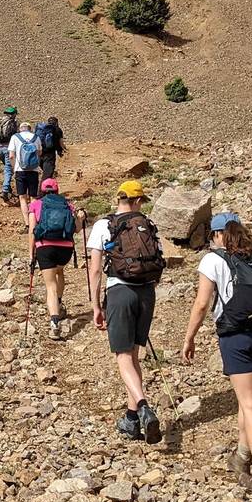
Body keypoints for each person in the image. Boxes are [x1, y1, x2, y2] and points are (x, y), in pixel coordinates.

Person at [181, 212, 252, 500]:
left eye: (213, 235)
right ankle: (241, 456)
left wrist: (189, 336)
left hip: (238, 336)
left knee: (251, 404)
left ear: (219, 235)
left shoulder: (213, 259)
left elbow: (201, 303)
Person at [87, 180, 166, 443]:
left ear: (119, 199)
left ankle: (143, 406)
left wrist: (96, 304)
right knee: (133, 355)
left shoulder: (104, 225)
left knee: (122, 356)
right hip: (146, 293)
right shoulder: (148, 225)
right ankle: (132, 419)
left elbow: (95, 270)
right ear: (138, 201)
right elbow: (158, 264)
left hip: (120, 291)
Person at [28, 178, 76, 340]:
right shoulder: (67, 205)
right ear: (57, 190)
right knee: (59, 271)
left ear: (42, 190)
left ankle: (55, 322)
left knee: (50, 286)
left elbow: (32, 230)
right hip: (66, 248)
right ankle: (60, 303)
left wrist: (31, 254)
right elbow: (74, 228)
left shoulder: (35, 204)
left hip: (45, 247)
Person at [7, 122, 43, 231]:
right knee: (33, 197)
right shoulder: (36, 137)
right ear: (30, 129)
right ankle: (35, 223)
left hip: (20, 170)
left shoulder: (15, 137)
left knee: (22, 198)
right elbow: (40, 153)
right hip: (33, 170)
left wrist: (14, 168)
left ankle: (27, 224)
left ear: (20, 129)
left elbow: (11, 156)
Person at [0, 106, 20, 202]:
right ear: (14, 114)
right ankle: (5, 189)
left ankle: (8, 189)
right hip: (8, 148)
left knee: (8, 167)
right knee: (8, 169)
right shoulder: (14, 123)